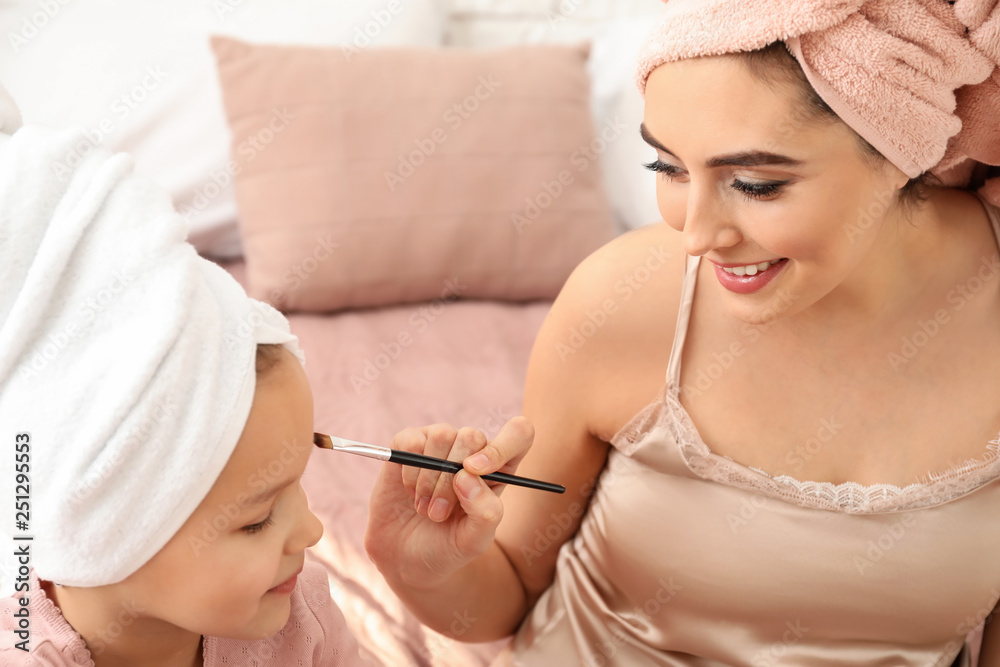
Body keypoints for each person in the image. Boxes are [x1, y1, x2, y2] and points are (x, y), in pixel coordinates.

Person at [363, 1, 1000, 665]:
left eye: (754, 183)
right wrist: (423, 568)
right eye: (668, 168)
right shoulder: (623, 301)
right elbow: (514, 588)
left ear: (902, 151)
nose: (695, 234)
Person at [0, 99, 371, 665]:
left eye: (294, 488)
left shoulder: (299, 622)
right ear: (107, 535)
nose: (313, 532)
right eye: (256, 521)